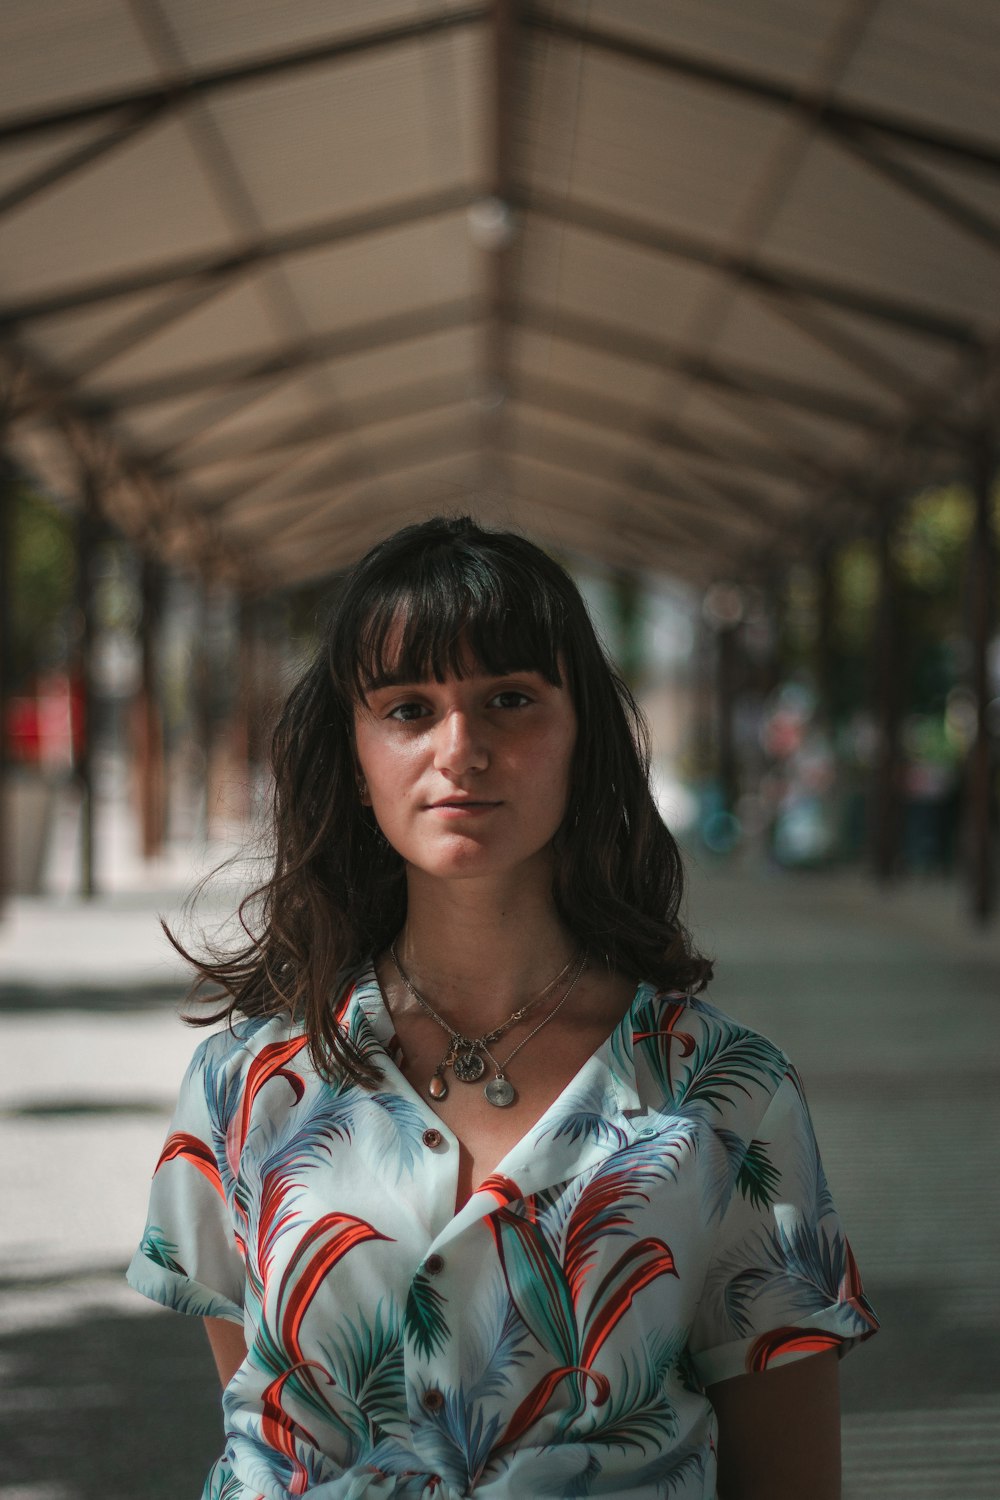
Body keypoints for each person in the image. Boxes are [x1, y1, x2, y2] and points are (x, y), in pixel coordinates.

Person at [128, 515, 878, 1499]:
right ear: (355, 760)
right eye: (406, 709)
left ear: (583, 741)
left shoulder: (726, 1094)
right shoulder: (245, 1090)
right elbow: (258, 1428)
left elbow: (788, 1478)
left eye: (510, 700)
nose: (461, 747)